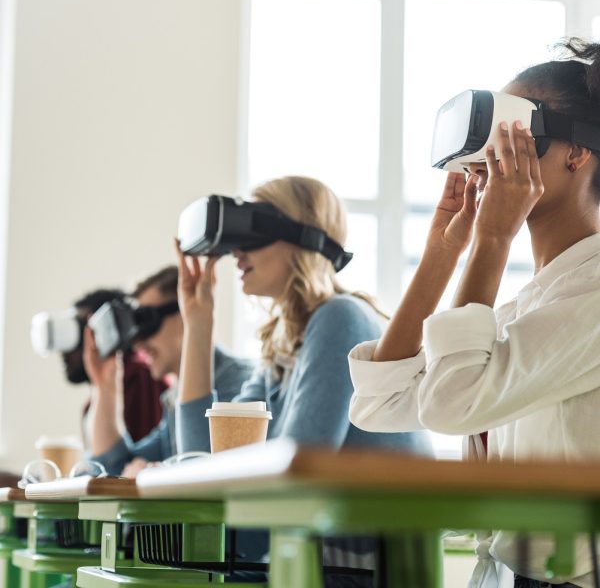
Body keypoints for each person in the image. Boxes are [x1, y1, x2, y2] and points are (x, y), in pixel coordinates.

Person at [348, 38, 600, 588]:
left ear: (576, 153)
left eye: (511, 139)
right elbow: (380, 403)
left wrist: (492, 240)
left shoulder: (593, 301)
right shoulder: (528, 304)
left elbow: (452, 403)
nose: (489, 161)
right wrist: (442, 254)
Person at [176, 176, 432, 586]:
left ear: (301, 237)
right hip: (316, 558)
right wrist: (198, 323)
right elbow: (200, 463)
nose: (237, 251)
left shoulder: (341, 317)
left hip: (366, 570)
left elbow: (298, 467)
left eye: (253, 229)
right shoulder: (283, 353)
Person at [87, 265, 255, 477]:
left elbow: (205, 474)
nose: (138, 344)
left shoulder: (241, 384)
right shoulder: (175, 399)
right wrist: (105, 386)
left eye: (147, 322)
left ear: (186, 311)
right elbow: (112, 470)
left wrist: (156, 475)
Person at [64, 288, 167, 446]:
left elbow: (139, 462)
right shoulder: (93, 399)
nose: (65, 352)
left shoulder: (141, 376)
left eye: (81, 332)